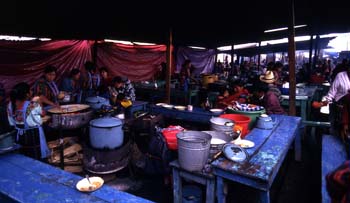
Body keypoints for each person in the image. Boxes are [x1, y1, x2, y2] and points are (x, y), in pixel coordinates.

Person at [7, 82, 50, 160]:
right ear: (27, 94)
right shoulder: (32, 105)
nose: (32, 92)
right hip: (33, 135)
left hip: (19, 135)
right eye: (30, 90)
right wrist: (39, 101)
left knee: (25, 157)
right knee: (36, 157)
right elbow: (43, 113)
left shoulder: (10, 105)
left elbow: (11, 122)